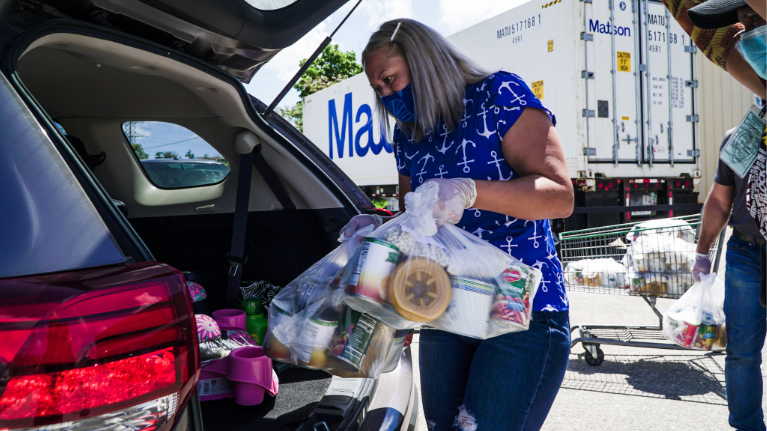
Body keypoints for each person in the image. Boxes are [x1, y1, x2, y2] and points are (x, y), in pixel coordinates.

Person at [339, 19, 574, 431]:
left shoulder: (498, 94)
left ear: (424, 62)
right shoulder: (408, 135)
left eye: (390, 79)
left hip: (521, 306)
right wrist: (376, 229)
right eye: (378, 89)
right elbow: (416, 221)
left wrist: (470, 190)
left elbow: (559, 195)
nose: (387, 95)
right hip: (444, 307)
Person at [684, 1, 767, 429]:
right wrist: (702, 251)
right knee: (741, 354)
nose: (747, 33)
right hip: (747, 255)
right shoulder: (746, 133)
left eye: (755, 20)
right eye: (744, 23)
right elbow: (719, 199)